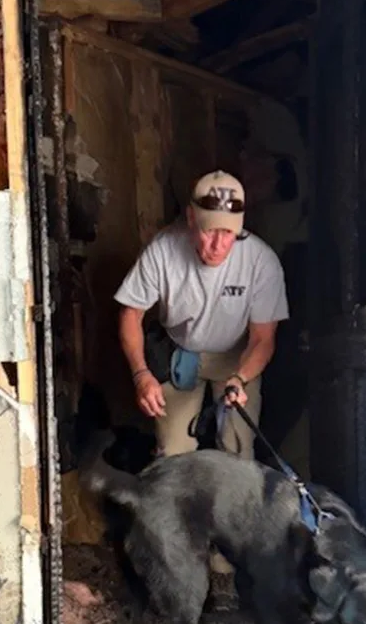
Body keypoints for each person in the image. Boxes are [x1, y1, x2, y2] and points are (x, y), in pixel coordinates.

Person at [114, 170, 289, 461]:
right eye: (210, 231)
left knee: (238, 451)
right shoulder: (163, 251)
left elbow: (263, 339)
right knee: (172, 454)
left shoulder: (261, 261)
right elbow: (131, 315)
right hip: (181, 354)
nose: (218, 245)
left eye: (229, 233)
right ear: (191, 218)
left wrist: (240, 379)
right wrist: (141, 374)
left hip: (238, 358)